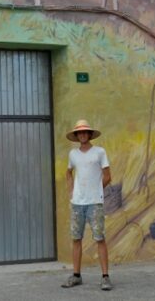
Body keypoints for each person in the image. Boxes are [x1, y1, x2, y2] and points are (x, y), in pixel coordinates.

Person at [61, 119, 113, 291]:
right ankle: (76, 275)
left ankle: (105, 277)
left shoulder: (99, 152)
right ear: (76, 136)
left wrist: (96, 190)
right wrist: (71, 192)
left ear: (90, 134)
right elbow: (68, 172)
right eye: (79, 132)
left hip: (95, 203)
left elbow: (107, 176)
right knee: (76, 239)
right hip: (77, 203)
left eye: (85, 132)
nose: (82, 134)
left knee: (100, 238)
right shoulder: (73, 155)